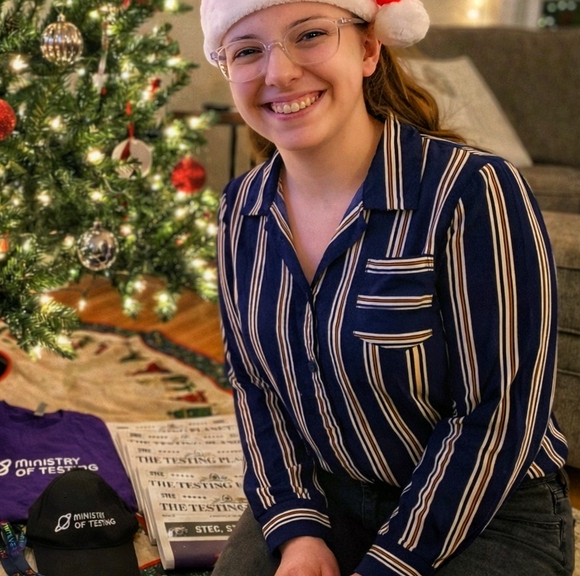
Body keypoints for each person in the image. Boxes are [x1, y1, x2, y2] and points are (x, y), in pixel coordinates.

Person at [200, 1, 574, 575]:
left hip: (487, 505)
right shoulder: (240, 210)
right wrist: (298, 531)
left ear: (369, 48)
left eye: (310, 35)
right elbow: (256, 389)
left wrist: (391, 562)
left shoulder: (474, 192)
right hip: (329, 496)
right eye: (247, 50)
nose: (279, 74)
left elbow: (500, 414)